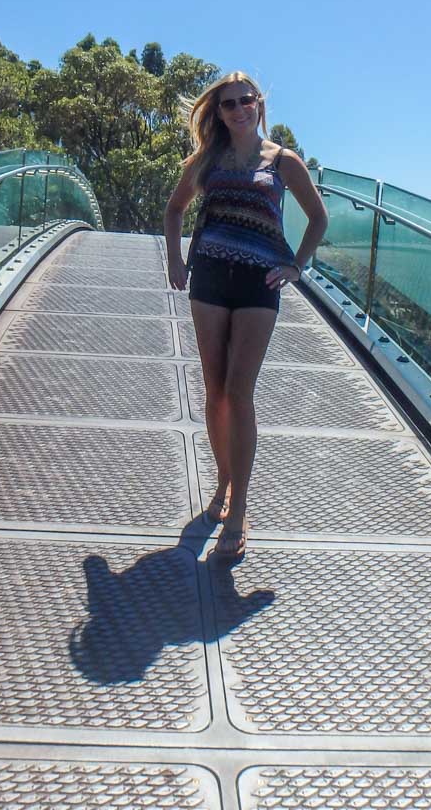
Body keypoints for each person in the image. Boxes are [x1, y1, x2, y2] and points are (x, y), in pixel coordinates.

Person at [164, 71, 328, 562]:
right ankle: (224, 485)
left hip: (261, 282)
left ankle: (238, 511)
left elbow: (318, 219)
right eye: (228, 104)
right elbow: (175, 210)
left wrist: (295, 266)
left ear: (259, 105)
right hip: (210, 276)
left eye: (246, 100)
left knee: (240, 391)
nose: (238, 109)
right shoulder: (206, 160)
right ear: (217, 112)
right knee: (214, 388)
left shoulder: (282, 161)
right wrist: (175, 259)